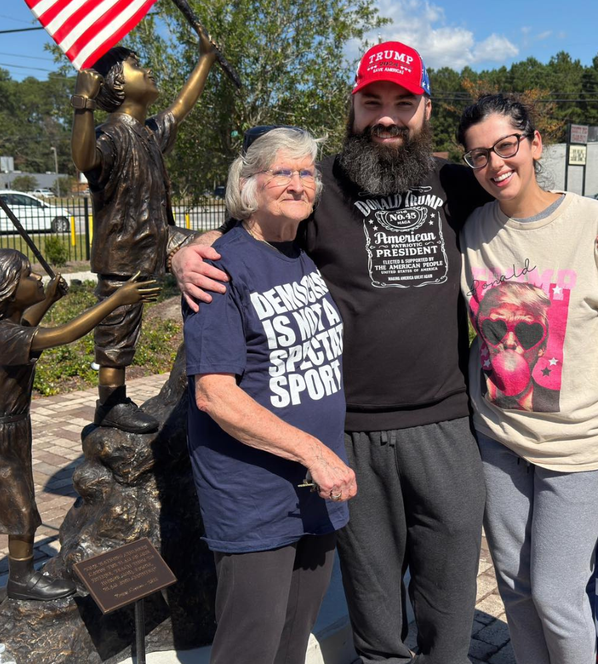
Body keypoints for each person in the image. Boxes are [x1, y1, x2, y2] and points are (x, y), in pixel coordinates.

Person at [174, 41, 489, 664]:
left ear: (425, 109)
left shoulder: (458, 184)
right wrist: (184, 249)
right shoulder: (322, 188)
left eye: (403, 102)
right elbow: (253, 231)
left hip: (447, 425)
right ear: (353, 106)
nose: (387, 116)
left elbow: (532, 212)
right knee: (376, 614)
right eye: (372, 101)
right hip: (353, 434)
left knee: (449, 607)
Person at [184, 125, 356, 664]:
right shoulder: (220, 268)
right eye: (282, 171)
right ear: (248, 183)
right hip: (254, 495)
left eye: (306, 172)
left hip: (317, 492)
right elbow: (215, 395)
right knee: (250, 646)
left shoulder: (299, 255)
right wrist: (314, 452)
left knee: (292, 640)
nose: (298, 182)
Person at [0, 249, 158, 622]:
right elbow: (62, 336)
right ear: (4, 290)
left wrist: (48, 300)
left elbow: (25, 327)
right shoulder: (3, 334)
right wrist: (115, 300)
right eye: (27, 275)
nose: (37, 277)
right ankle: (22, 578)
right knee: (21, 507)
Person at [458, 94, 598, 664]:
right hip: (498, 438)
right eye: (479, 155)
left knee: (560, 596)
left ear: (535, 144)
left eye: (506, 146)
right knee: (515, 586)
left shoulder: (589, 223)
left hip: (577, 448)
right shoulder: (472, 231)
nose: (495, 164)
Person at [71, 30, 217, 434]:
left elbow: (183, 105)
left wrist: (205, 57)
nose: (147, 69)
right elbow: (84, 158)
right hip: (123, 252)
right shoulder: (109, 135)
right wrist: (82, 103)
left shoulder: (149, 132)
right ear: (117, 85)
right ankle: (111, 403)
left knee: (218, 248)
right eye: (136, 65)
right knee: (118, 326)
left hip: (161, 236)